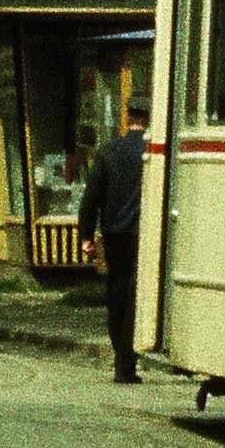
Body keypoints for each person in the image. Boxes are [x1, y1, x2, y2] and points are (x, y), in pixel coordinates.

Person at [77, 97, 151, 387]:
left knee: (117, 294)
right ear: (148, 119)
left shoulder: (109, 151)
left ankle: (121, 360)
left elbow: (91, 198)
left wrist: (86, 236)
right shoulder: (151, 152)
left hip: (115, 234)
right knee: (136, 296)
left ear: (128, 118)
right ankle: (127, 362)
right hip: (143, 234)